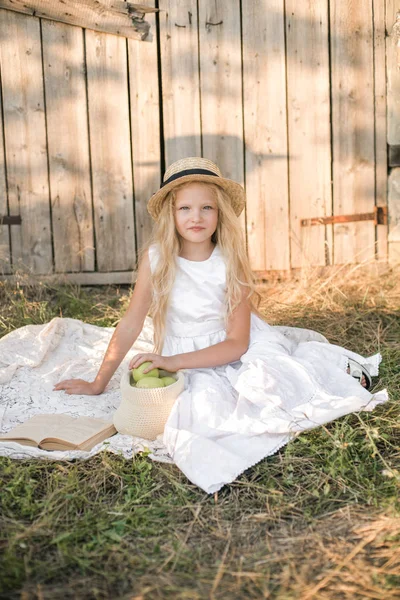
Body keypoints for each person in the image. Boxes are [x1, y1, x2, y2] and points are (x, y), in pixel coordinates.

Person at [53, 157, 388, 494]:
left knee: (266, 386)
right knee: (196, 411)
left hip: (229, 349)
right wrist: (99, 382)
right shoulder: (156, 259)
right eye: (184, 208)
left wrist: (172, 362)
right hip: (182, 352)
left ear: (220, 213)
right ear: (171, 213)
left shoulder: (229, 263)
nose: (195, 217)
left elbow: (237, 345)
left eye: (206, 208)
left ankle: (340, 371)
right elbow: (130, 323)